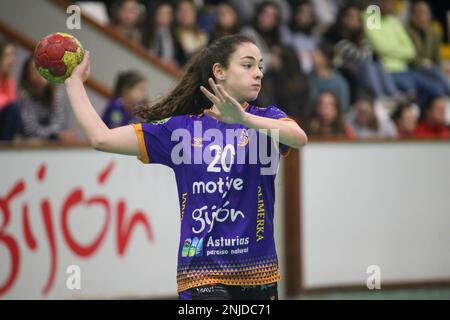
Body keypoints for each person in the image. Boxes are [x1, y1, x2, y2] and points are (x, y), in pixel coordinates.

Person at [64, 34, 307, 300]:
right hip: (202, 272)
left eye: (260, 66)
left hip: (259, 271)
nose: (258, 73)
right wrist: (74, 83)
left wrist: (244, 119)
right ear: (219, 71)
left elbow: (298, 138)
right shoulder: (181, 131)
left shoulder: (266, 120)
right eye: (248, 65)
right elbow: (102, 138)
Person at [19, 56, 78, 142]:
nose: (40, 73)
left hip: (55, 141)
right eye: (35, 69)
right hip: (30, 143)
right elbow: (29, 129)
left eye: (43, 68)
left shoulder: (57, 90)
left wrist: (56, 135)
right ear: (27, 74)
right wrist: (54, 135)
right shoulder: (23, 94)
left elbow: (60, 123)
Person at [0, 36, 21, 141]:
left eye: (13, 55)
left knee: (15, 109)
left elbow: (12, 100)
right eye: (7, 55)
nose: (12, 60)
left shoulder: (9, 78)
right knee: (13, 109)